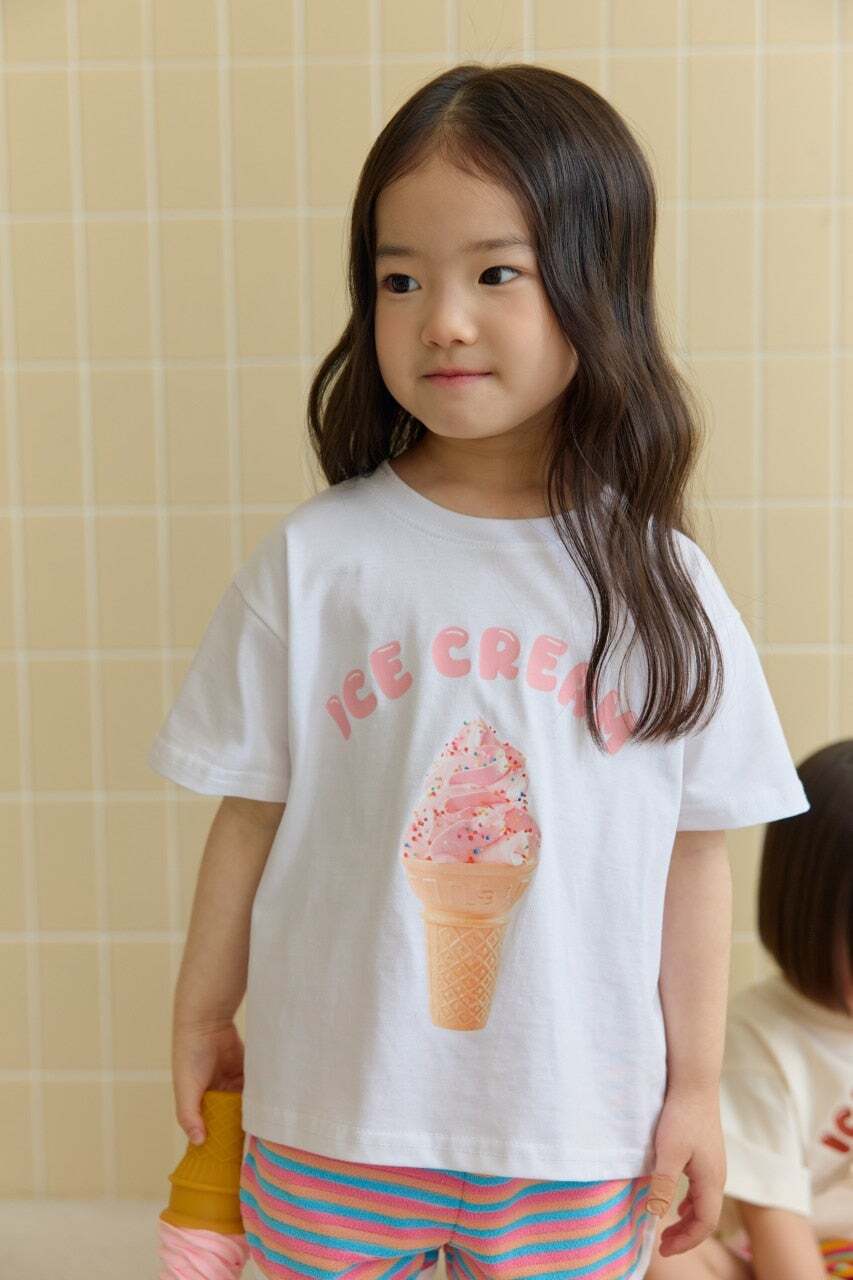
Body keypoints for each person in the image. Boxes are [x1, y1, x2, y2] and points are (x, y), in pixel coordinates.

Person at [148, 63, 810, 1280]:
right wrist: (201, 1010)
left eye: (495, 273)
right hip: (331, 1111)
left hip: (575, 1128)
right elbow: (250, 815)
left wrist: (695, 1088)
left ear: (597, 285)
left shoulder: (662, 581)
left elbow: (693, 854)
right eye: (399, 279)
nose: (441, 319)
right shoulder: (319, 559)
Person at [646, 739, 853, 1280]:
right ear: (811, 922)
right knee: (651, 1247)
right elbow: (779, 1239)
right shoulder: (761, 1042)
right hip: (777, 1254)